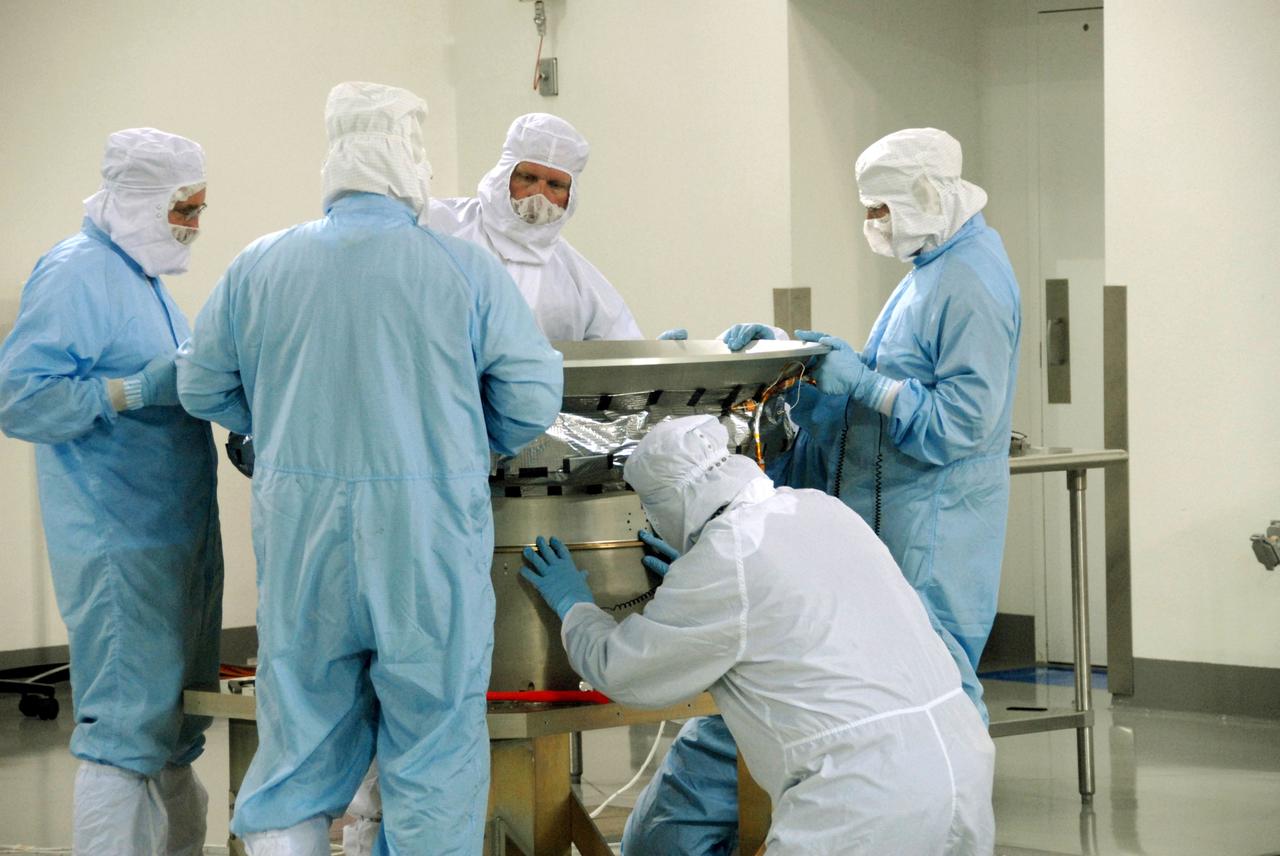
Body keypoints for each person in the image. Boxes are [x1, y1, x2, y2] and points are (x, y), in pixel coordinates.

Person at [176, 82, 563, 855]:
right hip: (425, 540)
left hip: (303, 532)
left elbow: (200, 384)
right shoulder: (461, 270)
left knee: (300, 743)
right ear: (411, 158)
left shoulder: (260, 265)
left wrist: (276, 429)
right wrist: (451, 439)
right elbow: (529, 398)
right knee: (434, 745)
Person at [628, 127, 1022, 853]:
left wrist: (864, 384)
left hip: (931, 542)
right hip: (893, 535)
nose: (872, 224)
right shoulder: (931, 272)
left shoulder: (970, 282)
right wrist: (808, 377)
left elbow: (957, 425)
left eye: (880, 209)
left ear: (925, 198)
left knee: (931, 707)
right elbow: (883, 415)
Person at [520, 415, 996, 855]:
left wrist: (575, 606)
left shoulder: (726, 558)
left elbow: (620, 671)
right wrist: (695, 581)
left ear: (670, 504)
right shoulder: (820, 508)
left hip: (861, 792)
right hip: (960, 763)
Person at [0, 128, 223, 854]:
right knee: (126, 728)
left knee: (173, 730)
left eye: (197, 208)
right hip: (118, 537)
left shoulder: (144, 281)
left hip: (174, 531)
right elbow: (20, 398)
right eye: (182, 208)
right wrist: (130, 391)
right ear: (141, 199)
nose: (192, 224)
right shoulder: (76, 272)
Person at [428, 112, 643, 340]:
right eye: (528, 178)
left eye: (555, 185)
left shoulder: (576, 276)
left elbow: (620, 344)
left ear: (570, 195)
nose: (539, 195)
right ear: (503, 176)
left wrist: (659, 356)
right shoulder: (440, 225)